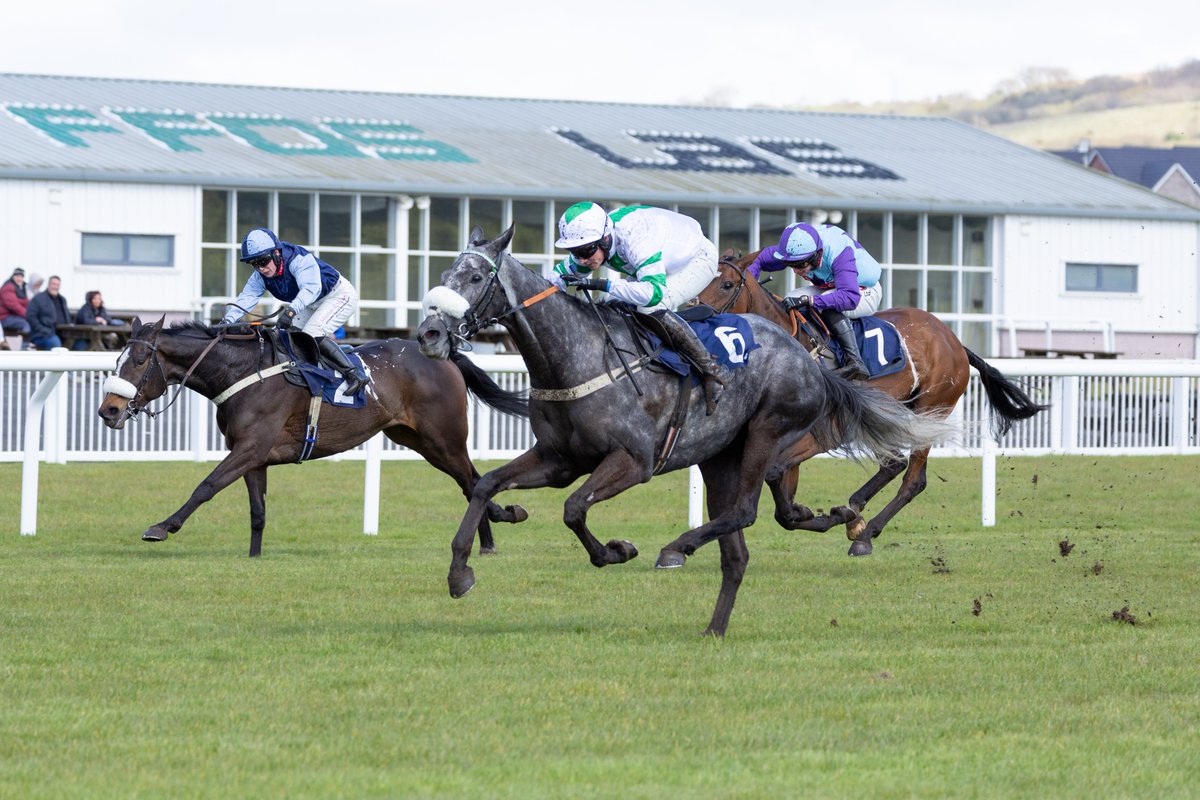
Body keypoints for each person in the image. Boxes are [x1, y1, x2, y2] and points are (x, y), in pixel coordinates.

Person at [552, 202, 727, 414]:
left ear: (606, 239)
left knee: (649, 308)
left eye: (587, 251)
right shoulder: (592, 246)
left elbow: (653, 294)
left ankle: (711, 371)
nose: (582, 259)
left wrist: (602, 283)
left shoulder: (634, 238)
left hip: (696, 258)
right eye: (575, 252)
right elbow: (555, 279)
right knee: (610, 305)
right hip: (659, 263)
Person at [221, 227, 370, 395]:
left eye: (263, 261)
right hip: (312, 303)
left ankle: (354, 374)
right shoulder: (260, 276)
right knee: (284, 335)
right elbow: (246, 298)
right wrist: (227, 321)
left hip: (338, 295)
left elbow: (311, 289)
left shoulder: (298, 259)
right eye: (254, 264)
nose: (260, 268)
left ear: (276, 253)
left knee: (311, 333)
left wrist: (291, 312)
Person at [747, 222, 883, 380]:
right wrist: (751, 289)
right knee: (791, 299)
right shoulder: (794, 249)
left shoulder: (838, 253)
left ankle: (855, 361)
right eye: (791, 265)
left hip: (863, 289)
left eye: (800, 264)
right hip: (833, 287)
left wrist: (811, 301)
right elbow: (758, 260)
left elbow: (849, 298)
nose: (796, 270)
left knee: (828, 304)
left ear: (817, 254)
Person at [27, 275, 72, 350]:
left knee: (79, 344)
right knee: (54, 343)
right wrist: (42, 329)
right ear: (48, 284)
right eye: (53, 284)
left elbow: (67, 316)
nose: (55, 287)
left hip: (63, 333)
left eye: (57, 285)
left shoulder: (62, 299)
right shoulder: (38, 298)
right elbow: (31, 316)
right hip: (42, 334)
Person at [1, 267, 33, 346]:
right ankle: (23, 347)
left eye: (21, 276)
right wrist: (28, 315)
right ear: (13, 276)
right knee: (25, 324)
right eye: (17, 276)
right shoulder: (8, 287)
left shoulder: (21, 289)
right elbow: (13, 305)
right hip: (5, 317)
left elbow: (26, 303)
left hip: (14, 316)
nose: (19, 278)